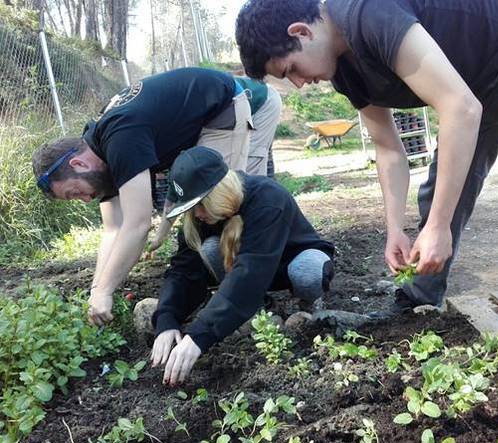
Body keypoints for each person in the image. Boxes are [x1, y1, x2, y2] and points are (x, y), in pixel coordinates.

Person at [235, 1, 498, 443]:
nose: (299, 83)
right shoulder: (344, 71)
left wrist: (439, 227)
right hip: (473, 83)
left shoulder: (364, 13)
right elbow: (389, 149)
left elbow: (459, 107)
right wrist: (396, 229)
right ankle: (415, 303)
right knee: (439, 189)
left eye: (291, 68)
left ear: (300, 31)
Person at [31, 67, 255, 327]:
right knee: (200, 219)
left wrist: (105, 292)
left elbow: (137, 225)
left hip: (222, 107)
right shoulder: (100, 155)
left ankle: (244, 295)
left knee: (218, 205)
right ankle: (216, 281)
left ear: (79, 164)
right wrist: (98, 290)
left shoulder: (120, 140)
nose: (84, 200)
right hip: (196, 119)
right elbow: (113, 229)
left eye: (75, 192)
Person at [144, 146, 334, 386]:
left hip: (287, 263)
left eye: (199, 205)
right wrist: (167, 319)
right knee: (210, 248)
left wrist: (198, 337)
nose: (196, 213)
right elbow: (184, 270)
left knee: (308, 271)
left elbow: (250, 273)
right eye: (190, 207)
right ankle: (256, 306)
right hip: (252, 271)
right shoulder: (200, 215)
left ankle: (308, 306)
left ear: (217, 194)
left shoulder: (268, 199)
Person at [147, 76, 282, 253]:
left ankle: (255, 240)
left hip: (260, 102)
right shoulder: (173, 155)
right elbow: (176, 191)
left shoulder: (165, 140)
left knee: (235, 179)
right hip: (217, 111)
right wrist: (160, 237)